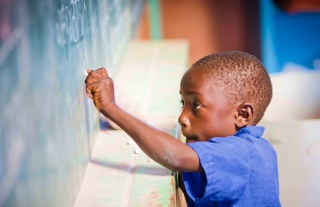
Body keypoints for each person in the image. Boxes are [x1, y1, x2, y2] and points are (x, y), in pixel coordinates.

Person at [85, 51, 281, 206]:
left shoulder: (244, 154)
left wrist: (111, 108)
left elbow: (174, 156)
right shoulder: (229, 146)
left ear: (242, 115)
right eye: (183, 103)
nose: (182, 118)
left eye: (196, 105)